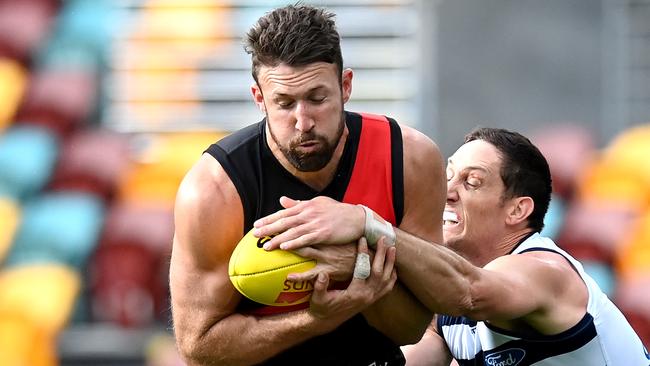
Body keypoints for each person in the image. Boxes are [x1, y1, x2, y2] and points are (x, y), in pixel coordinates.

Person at [169, 4, 447, 365]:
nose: (303, 122)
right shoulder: (214, 189)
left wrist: (356, 264)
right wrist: (315, 320)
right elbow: (199, 348)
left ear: (345, 86)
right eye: (284, 103)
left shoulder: (409, 159)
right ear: (259, 98)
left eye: (317, 99)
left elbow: (411, 328)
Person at [255, 127, 650, 365]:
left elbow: (471, 292)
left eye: (472, 182)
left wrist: (367, 223)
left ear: (518, 210)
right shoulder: (443, 310)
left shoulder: (544, 270)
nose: (447, 193)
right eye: (448, 177)